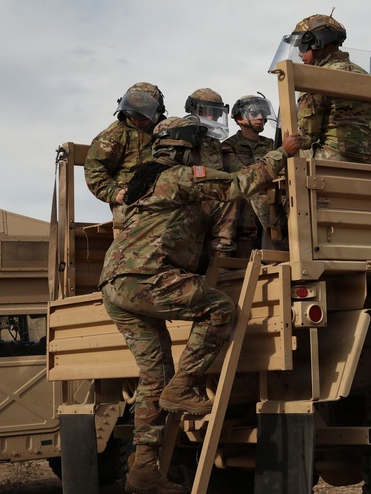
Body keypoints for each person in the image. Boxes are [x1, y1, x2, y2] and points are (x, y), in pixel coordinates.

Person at [100, 115, 300, 494]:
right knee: (221, 308)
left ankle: (143, 469)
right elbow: (237, 185)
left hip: (115, 286)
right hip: (145, 278)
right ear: (181, 147)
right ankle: (184, 386)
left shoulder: (142, 183)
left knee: (152, 377)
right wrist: (281, 154)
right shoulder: (175, 176)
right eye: (193, 148)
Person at [285, 14, 371, 163]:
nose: (300, 53)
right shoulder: (363, 74)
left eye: (303, 46)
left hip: (331, 164)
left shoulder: (316, 77)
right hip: (370, 164)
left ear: (320, 43)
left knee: (283, 159)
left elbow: (304, 138)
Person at [85, 82, 166, 230]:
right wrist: (114, 193)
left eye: (142, 117)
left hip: (164, 194)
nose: (136, 120)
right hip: (131, 199)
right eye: (133, 114)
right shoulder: (114, 135)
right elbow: (94, 170)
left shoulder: (166, 130)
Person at [220, 94, 277, 258]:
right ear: (239, 117)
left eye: (263, 113)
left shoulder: (272, 145)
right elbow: (242, 176)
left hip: (271, 207)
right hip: (244, 212)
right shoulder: (228, 147)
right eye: (253, 113)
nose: (260, 117)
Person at [184, 87, 230, 170]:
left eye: (215, 112)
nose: (211, 117)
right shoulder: (182, 136)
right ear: (192, 110)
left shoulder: (214, 141)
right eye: (204, 111)